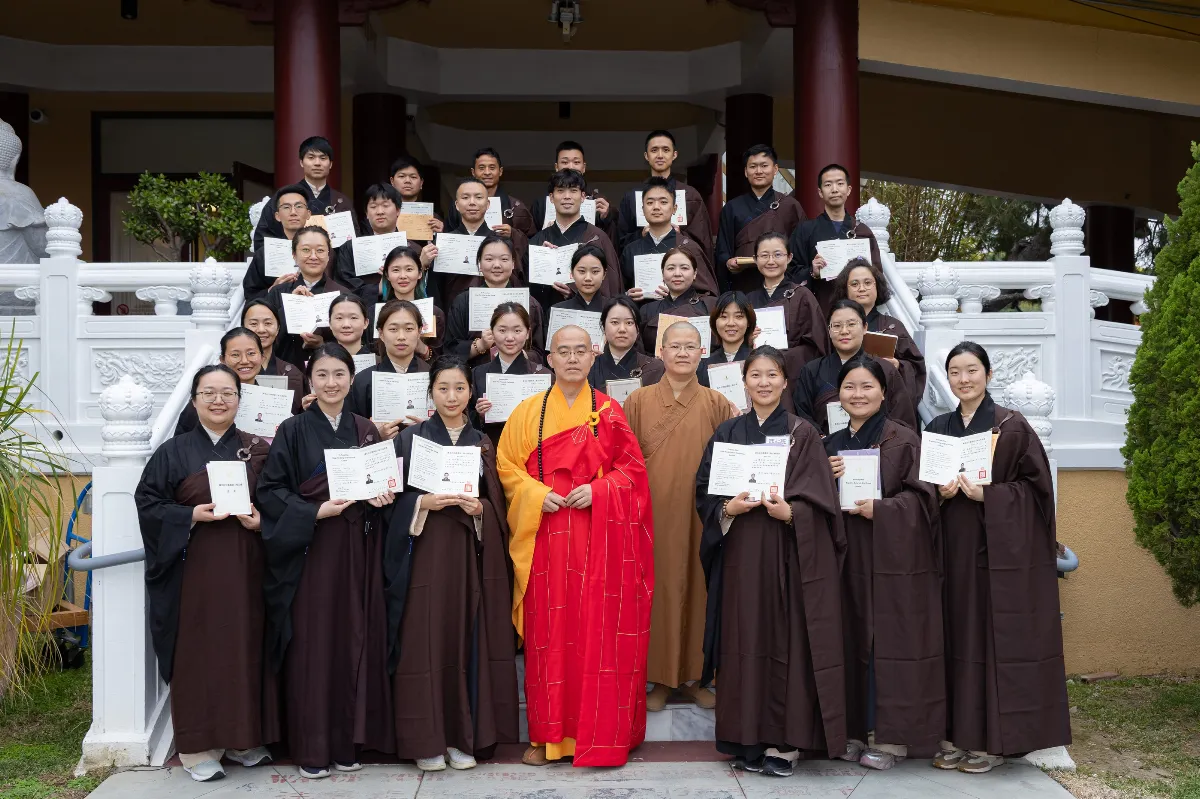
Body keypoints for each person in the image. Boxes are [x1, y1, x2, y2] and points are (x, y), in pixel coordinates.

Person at [496, 324, 655, 767]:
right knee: (550, 637)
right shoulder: (528, 412)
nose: (570, 359)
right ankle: (550, 737)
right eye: (562, 352)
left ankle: (599, 732)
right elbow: (506, 467)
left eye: (579, 351)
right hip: (545, 536)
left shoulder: (608, 411)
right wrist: (533, 494)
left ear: (593, 356)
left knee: (594, 634)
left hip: (597, 540)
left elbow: (633, 474)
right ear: (548, 359)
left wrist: (600, 493)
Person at [697, 346, 847, 776]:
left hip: (788, 558)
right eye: (755, 375)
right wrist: (728, 510)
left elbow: (822, 502)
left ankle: (786, 743)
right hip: (741, 558)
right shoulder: (727, 433)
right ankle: (745, 739)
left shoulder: (804, 434)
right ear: (743, 382)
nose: (763, 383)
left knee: (786, 647)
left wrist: (793, 512)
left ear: (785, 382)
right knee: (742, 645)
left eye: (772, 375)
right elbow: (705, 489)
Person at [926, 342, 1070, 774]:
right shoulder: (938, 427)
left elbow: (1037, 493)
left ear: (988, 375)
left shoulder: (1011, 426)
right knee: (953, 641)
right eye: (954, 372)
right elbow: (923, 488)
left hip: (996, 554)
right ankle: (954, 737)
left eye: (972, 370)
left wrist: (989, 495)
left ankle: (990, 743)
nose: (963, 379)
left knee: (988, 643)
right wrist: (940, 492)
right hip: (952, 551)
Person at [256, 343, 395, 778]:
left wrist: (382, 496)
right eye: (323, 375)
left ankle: (346, 742)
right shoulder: (293, 430)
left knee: (353, 638)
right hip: (312, 551)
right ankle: (313, 747)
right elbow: (271, 490)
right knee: (315, 645)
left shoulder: (365, 429)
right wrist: (314, 511)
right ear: (310, 381)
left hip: (358, 549)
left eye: (339, 375)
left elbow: (384, 490)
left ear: (352, 379)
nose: (331, 383)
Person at [136, 365, 274, 783]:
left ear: (239, 399)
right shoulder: (173, 453)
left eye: (227, 393)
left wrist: (261, 520)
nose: (219, 401)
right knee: (199, 651)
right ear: (194, 400)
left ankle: (242, 738)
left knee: (244, 646)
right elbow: (148, 504)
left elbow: (277, 500)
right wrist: (189, 514)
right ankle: (198, 746)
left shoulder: (257, 449)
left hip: (246, 566)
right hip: (193, 570)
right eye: (209, 393)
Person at [382, 357, 519, 771]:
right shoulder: (409, 440)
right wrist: (421, 502)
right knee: (424, 641)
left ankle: (462, 738)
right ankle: (427, 740)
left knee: (464, 641)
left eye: (460, 388)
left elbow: (497, 504)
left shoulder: (481, 442)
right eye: (443, 388)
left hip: (467, 554)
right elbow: (388, 502)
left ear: (471, 393)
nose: (452, 396)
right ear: (430, 393)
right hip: (423, 554)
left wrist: (480, 510)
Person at [823, 356, 944, 770]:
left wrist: (884, 509)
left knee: (890, 646)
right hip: (845, 559)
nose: (858, 395)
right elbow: (811, 501)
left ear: (884, 392)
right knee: (849, 640)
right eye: (850, 387)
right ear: (839, 395)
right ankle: (853, 732)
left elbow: (926, 500)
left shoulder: (905, 440)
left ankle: (892, 740)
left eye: (867, 387)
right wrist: (824, 475)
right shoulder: (830, 444)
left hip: (894, 561)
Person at [623, 322, 735, 712]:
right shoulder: (637, 402)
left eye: (691, 346)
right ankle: (658, 678)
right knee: (659, 591)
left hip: (702, 514)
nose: (683, 353)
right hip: (653, 514)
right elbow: (624, 462)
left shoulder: (717, 402)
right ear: (661, 351)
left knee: (699, 588)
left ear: (702, 352)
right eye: (676, 346)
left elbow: (729, 461)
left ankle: (694, 677)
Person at [792, 299, 916, 434]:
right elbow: (803, 416)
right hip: (827, 450)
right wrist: (822, 443)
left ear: (864, 328)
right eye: (837, 326)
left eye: (851, 324)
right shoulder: (812, 370)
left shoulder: (885, 369)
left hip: (877, 449)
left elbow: (902, 418)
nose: (844, 331)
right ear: (829, 330)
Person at [830, 257, 926, 421]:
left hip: (886, 406)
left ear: (877, 287)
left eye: (868, 283)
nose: (862, 288)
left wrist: (899, 366)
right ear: (845, 290)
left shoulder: (893, 326)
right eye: (854, 284)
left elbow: (915, 367)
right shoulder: (836, 325)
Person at [788, 164, 882, 313]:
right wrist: (812, 272)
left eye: (840, 183)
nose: (834, 189)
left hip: (857, 310)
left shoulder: (862, 231)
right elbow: (790, 272)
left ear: (849, 189)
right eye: (828, 184)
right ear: (820, 192)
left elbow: (876, 274)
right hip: (820, 308)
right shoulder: (805, 230)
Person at [715, 145, 807, 294]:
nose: (759, 171)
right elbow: (722, 249)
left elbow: (800, 250)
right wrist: (728, 262)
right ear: (746, 171)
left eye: (764, 166)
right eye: (753, 167)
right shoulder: (732, 207)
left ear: (775, 169)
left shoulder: (790, 206)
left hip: (782, 284)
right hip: (745, 284)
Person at [175, 326, 301, 434]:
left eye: (251, 353)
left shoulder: (273, 401)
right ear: (222, 360)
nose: (245, 361)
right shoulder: (205, 402)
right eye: (235, 355)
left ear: (262, 358)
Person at [528, 169, 623, 308]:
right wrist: (540, 263)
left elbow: (612, 288)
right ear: (551, 198)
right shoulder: (538, 241)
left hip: (589, 320)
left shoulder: (597, 238)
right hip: (548, 318)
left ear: (583, 196)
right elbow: (528, 292)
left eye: (573, 190)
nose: (567, 196)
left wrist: (576, 294)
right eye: (560, 191)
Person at [445, 236, 545, 367]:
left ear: (513, 263)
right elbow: (450, 351)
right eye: (489, 259)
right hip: (475, 378)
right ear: (479, 264)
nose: (497, 265)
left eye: (504, 259)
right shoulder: (463, 302)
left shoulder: (530, 304)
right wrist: (481, 345)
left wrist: (516, 348)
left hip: (519, 377)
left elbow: (539, 353)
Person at [615, 130, 713, 263]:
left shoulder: (690, 194)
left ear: (674, 155)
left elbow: (703, 241)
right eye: (654, 150)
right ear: (646, 155)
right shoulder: (632, 197)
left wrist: (679, 235)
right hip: (643, 268)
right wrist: (641, 235)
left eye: (666, 150)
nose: (660, 155)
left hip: (681, 267)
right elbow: (621, 241)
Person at [425, 176, 524, 306]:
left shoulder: (502, 243)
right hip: (453, 314)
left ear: (488, 204)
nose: (472, 202)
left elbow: (515, 283)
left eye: (478, 197)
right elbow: (435, 288)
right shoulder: (443, 242)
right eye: (465, 197)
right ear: (457, 205)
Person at [265, 226, 354, 368]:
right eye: (306, 250)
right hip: (284, 369)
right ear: (294, 254)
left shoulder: (343, 295)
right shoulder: (277, 293)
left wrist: (323, 344)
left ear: (328, 255)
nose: (313, 256)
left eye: (320, 250)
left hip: (328, 372)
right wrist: (290, 307)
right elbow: (263, 337)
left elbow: (353, 340)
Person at [744, 232, 827, 379]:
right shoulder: (748, 300)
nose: (771, 261)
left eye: (777, 255)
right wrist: (748, 341)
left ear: (789, 258)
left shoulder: (802, 295)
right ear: (755, 260)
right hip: (757, 375)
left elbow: (817, 345)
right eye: (764, 255)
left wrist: (781, 356)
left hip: (793, 375)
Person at [620, 177, 718, 299]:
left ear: (674, 208)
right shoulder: (630, 250)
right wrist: (627, 296)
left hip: (680, 315)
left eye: (663, 202)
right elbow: (618, 291)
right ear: (642, 209)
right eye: (650, 202)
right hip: (641, 314)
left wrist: (678, 292)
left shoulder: (689, 248)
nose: (656, 207)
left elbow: (708, 294)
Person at [253, 136, 355, 250]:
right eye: (311, 157)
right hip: (292, 265)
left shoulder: (341, 201)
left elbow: (353, 244)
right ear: (301, 162)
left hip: (332, 266)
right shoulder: (284, 196)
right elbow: (262, 239)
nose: (317, 163)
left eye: (323, 158)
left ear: (330, 164)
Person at [471, 303, 550, 445]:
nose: (509, 337)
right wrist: (479, 413)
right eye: (502, 330)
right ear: (492, 333)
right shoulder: (477, 374)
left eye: (517, 331)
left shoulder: (543, 376)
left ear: (527, 333)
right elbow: (467, 423)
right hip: (491, 449)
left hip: (530, 450)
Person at [347, 300, 432, 429]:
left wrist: (429, 429)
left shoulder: (433, 376)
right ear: (381, 333)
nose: (401, 336)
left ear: (419, 331)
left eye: (409, 329)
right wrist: (375, 435)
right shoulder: (363, 380)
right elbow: (352, 429)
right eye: (393, 329)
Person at [636, 248, 717, 355]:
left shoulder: (710, 305)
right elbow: (640, 350)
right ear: (662, 274)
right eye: (670, 268)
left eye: (684, 268)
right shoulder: (647, 310)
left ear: (695, 273)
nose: (677, 273)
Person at [369, 244, 444, 359]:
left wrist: (422, 348)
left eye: (409, 269)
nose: (403, 276)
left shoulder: (434, 313)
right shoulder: (374, 312)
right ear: (387, 275)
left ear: (419, 273)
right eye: (396, 270)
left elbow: (439, 358)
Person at [444, 147, 536, 240]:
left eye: (492, 168)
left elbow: (532, 242)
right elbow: (449, 237)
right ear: (473, 172)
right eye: (481, 168)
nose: (487, 172)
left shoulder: (516, 207)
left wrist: (513, 234)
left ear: (500, 171)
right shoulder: (460, 204)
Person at [244, 184, 313, 301]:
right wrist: (272, 289)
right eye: (286, 207)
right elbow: (251, 294)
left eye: (299, 206)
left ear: (308, 214)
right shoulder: (264, 253)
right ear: (277, 216)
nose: (293, 212)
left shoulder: (323, 251)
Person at [529, 141, 613, 235]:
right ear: (556, 167)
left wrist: (606, 218)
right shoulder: (540, 204)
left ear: (584, 167)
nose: (570, 167)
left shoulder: (598, 202)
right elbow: (531, 238)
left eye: (576, 162)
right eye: (565, 162)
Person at [335, 183, 405, 295]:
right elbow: (345, 284)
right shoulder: (351, 247)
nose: (380, 212)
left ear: (398, 210)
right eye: (373, 207)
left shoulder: (412, 249)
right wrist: (377, 289)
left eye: (386, 205)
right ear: (367, 213)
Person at [588, 297, 663, 391]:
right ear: (603, 327)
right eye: (615, 322)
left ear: (638, 329)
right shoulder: (589, 366)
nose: (622, 329)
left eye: (629, 322)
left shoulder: (655, 368)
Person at [242, 300, 306, 401]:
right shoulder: (232, 371)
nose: (261, 330)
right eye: (254, 324)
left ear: (278, 329)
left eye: (268, 323)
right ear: (243, 328)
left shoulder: (292, 374)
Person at [699, 291, 757, 387]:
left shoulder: (759, 360)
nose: (731, 323)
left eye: (738, 316)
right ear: (714, 322)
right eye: (724, 316)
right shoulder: (703, 365)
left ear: (749, 322)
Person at [389, 155, 445, 236]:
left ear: (421, 183)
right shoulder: (383, 213)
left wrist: (442, 232)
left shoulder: (433, 217)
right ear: (392, 181)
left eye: (413, 177)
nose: (407, 181)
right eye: (401, 176)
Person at [550, 245, 608, 314]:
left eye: (595, 271)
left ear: (604, 274)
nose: (588, 278)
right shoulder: (558, 311)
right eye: (582, 271)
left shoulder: (614, 309)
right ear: (572, 273)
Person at [328, 294, 371, 359]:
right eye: (339, 318)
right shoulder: (319, 363)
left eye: (353, 318)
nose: (346, 325)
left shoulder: (378, 363)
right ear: (330, 323)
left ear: (365, 323)